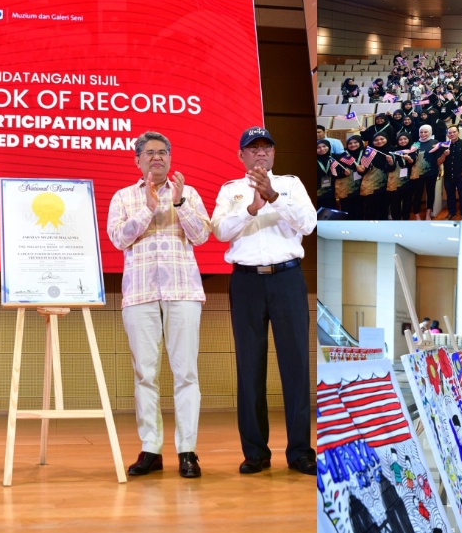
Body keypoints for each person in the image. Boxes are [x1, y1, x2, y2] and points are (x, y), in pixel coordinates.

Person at [211, 127, 317, 476]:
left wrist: (274, 197)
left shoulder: (291, 184)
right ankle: (255, 452)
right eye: (252, 148)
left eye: (266, 147)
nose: (260, 153)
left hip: (287, 278)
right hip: (246, 282)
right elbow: (220, 231)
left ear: (273, 153)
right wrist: (251, 210)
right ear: (241, 155)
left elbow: (309, 223)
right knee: (250, 367)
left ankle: (300, 451)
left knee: (296, 365)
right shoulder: (231, 191)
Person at [107, 132, 211, 479]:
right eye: (149, 153)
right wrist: (147, 211)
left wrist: (179, 205)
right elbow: (118, 238)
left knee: (186, 374)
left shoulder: (189, 193)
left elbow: (201, 236)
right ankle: (151, 448)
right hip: (139, 293)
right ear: (137, 160)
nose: (157, 158)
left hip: (182, 292)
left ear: (170, 158)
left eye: (163, 152)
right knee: (145, 375)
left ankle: (188, 451)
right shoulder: (124, 197)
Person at [442, 126, 462, 220]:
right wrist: (444, 154)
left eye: (454, 132)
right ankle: (452, 212)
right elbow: (440, 160)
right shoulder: (444, 145)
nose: (452, 134)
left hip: (461, 174)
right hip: (448, 174)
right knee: (450, 194)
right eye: (450, 133)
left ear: (458, 133)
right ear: (447, 134)